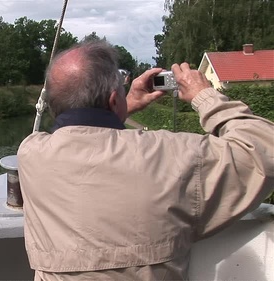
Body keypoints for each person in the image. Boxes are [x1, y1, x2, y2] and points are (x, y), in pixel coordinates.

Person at [17, 41, 274, 280]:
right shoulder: (177, 154)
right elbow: (263, 150)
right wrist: (203, 95)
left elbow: (78, 135)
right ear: (113, 99)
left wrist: (121, 105)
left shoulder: (30, 154)